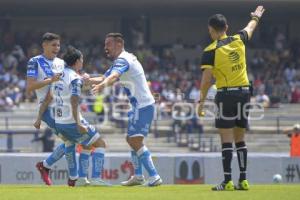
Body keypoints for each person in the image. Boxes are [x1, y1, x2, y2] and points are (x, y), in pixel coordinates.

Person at [198, 6, 265, 191]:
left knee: (226, 139)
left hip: (226, 95)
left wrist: (201, 103)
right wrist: (256, 17)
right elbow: (250, 27)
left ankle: (227, 181)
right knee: (240, 139)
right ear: (226, 27)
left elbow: (206, 81)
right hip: (244, 93)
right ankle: (243, 180)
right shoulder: (239, 39)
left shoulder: (210, 50)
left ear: (211, 30)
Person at [91, 33, 162, 186]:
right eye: (105, 44)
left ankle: (154, 176)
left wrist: (103, 86)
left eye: (108, 44)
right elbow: (105, 77)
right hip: (139, 106)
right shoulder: (122, 59)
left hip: (143, 106)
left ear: (119, 44)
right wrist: (86, 79)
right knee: (132, 139)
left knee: (133, 139)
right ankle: (138, 176)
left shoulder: (123, 60)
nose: (105, 48)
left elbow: (113, 77)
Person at [50, 46, 109, 186]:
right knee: (100, 143)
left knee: (87, 145)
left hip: (59, 120)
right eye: (82, 59)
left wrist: (86, 79)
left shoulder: (60, 74)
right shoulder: (74, 78)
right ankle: (96, 178)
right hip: (71, 121)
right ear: (77, 61)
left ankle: (82, 179)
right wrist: (78, 123)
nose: (83, 61)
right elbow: (74, 100)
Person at [26, 32, 77, 186]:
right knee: (70, 140)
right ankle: (73, 178)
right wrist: (50, 80)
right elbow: (30, 87)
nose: (57, 48)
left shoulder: (61, 63)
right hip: (47, 108)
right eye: (53, 45)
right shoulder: (34, 62)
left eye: (58, 45)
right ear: (44, 45)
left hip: (64, 106)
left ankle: (46, 166)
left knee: (72, 140)